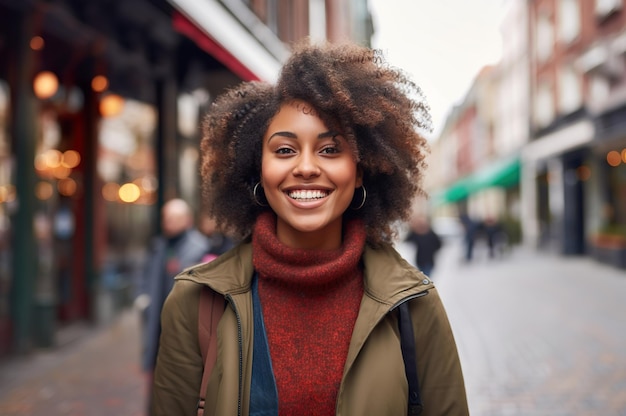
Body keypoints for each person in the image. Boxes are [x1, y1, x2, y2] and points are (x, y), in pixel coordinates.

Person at [152, 40, 468, 415]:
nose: (305, 167)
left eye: (330, 149)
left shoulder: (413, 305)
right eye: (284, 150)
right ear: (259, 169)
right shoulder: (195, 303)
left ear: (361, 169)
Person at [136, 198, 211, 413]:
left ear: (187, 220)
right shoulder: (159, 245)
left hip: (184, 329)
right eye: (166, 218)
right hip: (158, 324)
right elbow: (145, 275)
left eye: (174, 218)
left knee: (181, 385)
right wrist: (143, 299)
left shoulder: (200, 248)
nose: (169, 222)